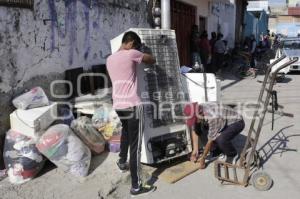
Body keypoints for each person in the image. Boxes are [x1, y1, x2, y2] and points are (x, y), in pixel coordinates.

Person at [106, 31, 156, 196]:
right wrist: (145, 51)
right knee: (136, 148)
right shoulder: (132, 53)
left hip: (119, 104)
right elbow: (152, 60)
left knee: (126, 133)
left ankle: (121, 161)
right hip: (133, 105)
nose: (137, 48)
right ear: (131, 43)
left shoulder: (110, 58)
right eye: (137, 46)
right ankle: (136, 186)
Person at [184, 102, 245, 169]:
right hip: (222, 121)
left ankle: (232, 155)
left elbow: (210, 140)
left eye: (195, 120)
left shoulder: (213, 116)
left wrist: (203, 158)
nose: (194, 122)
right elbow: (194, 129)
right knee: (199, 128)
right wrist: (195, 150)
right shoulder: (199, 110)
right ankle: (217, 152)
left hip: (236, 122)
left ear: (200, 112)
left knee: (221, 139)